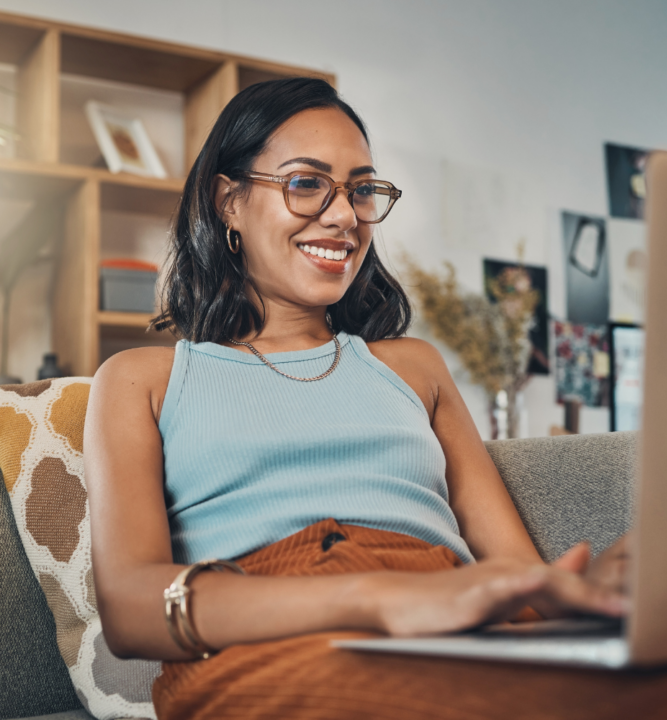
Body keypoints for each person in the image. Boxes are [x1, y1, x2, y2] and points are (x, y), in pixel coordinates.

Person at [84, 78, 628, 720]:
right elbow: (132, 609)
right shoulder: (139, 381)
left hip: (452, 628)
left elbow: (516, 574)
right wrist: (375, 597)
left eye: (361, 190)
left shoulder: (412, 366)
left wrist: (593, 598)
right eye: (306, 182)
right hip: (269, 642)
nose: (344, 217)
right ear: (228, 201)